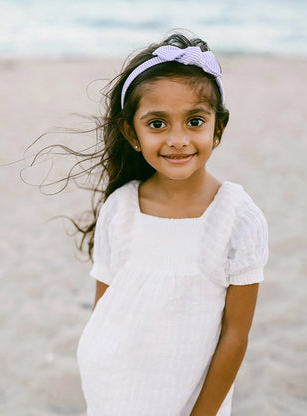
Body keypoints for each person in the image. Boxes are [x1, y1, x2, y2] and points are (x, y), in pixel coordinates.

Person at [76, 32, 269, 416]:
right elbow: (105, 307)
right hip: (112, 387)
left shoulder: (237, 216)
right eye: (158, 123)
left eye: (195, 121)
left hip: (188, 395)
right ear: (132, 132)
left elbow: (235, 334)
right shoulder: (121, 207)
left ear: (218, 129)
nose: (178, 139)